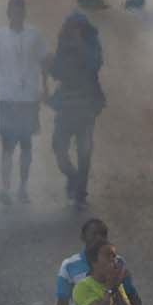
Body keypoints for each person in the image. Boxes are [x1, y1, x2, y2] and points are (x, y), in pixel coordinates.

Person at [0, 0, 48, 205]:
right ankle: (5, 188)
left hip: (28, 100)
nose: (17, 15)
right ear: (8, 13)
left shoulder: (35, 35)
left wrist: (46, 88)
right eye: (13, 11)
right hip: (8, 99)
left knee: (26, 146)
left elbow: (44, 63)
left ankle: (23, 188)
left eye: (20, 11)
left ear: (24, 13)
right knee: (7, 147)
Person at [48, 11, 105, 209]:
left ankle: (81, 191)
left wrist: (80, 46)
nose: (73, 31)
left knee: (85, 150)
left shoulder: (91, 45)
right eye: (71, 27)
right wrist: (48, 65)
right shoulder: (63, 45)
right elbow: (56, 71)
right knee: (59, 149)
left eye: (77, 28)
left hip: (86, 106)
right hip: (66, 105)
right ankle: (73, 176)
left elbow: (95, 65)